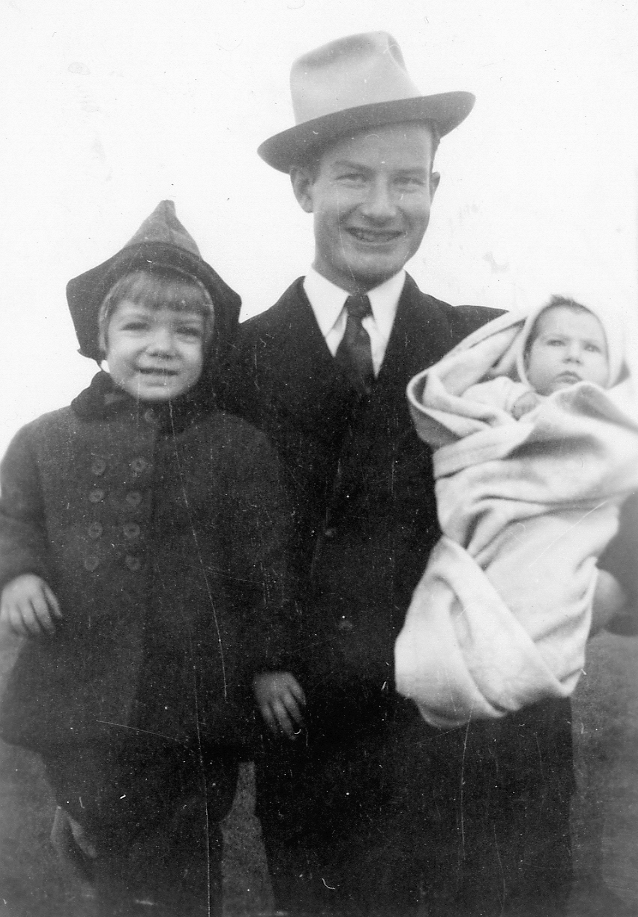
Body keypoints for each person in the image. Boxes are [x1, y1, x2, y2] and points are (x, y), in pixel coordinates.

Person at [222, 31, 638, 917]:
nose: (382, 206)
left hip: (487, 770)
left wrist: (611, 587)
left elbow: (610, 471)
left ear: (435, 190)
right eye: (353, 177)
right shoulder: (234, 361)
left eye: (407, 181)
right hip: (322, 764)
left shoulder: (498, 347)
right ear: (303, 186)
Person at [0, 201, 295, 917]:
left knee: (184, 854)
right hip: (79, 683)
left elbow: (266, 565)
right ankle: (86, 830)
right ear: (100, 338)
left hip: (193, 698)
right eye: (137, 326)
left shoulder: (237, 446)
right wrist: (19, 573)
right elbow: (14, 515)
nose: (161, 346)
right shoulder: (44, 438)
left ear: (208, 346)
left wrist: (270, 661)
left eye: (185, 332)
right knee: (100, 814)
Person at [396, 293, 638, 728]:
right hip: (493, 524)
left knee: (544, 603)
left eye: (591, 349)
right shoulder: (498, 394)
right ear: (525, 354)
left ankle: (511, 667)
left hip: (564, 533)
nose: (573, 357)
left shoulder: (612, 419)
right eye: (556, 343)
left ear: (610, 368)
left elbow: (618, 468)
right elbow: (454, 416)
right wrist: (516, 412)